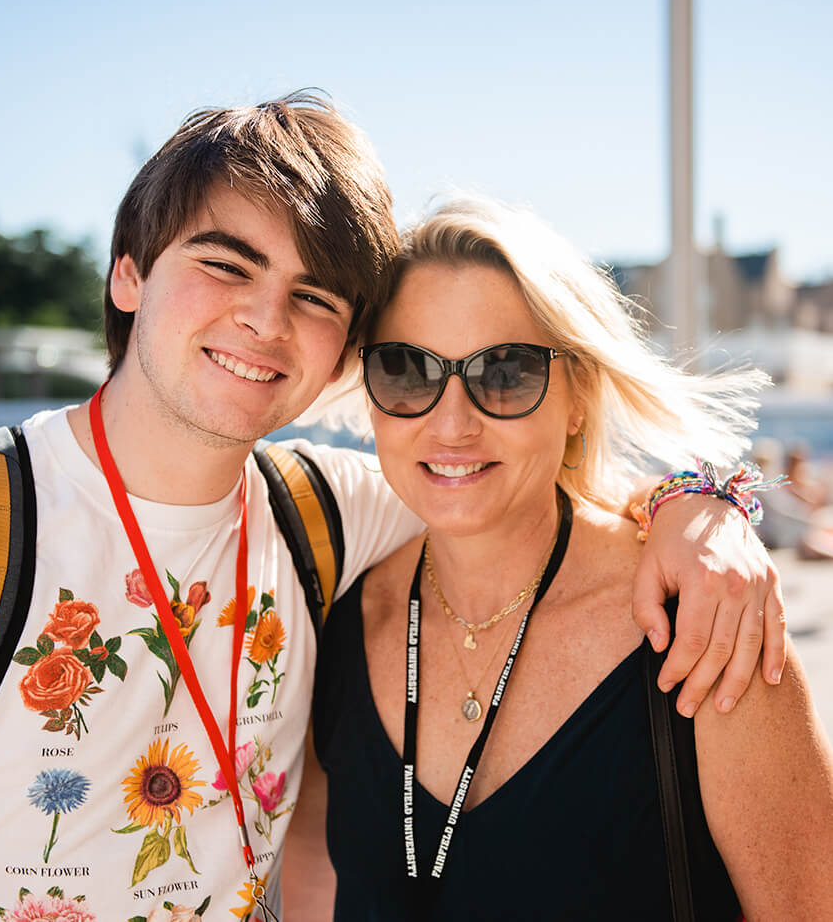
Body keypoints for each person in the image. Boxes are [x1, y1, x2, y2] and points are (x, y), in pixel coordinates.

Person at [0, 96, 786, 921]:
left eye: (315, 297)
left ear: (339, 355)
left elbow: (515, 487)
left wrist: (702, 506)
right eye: (224, 264)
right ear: (128, 275)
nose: (264, 317)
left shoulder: (324, 517)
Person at [303, 197, 833, 920]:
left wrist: (702, 500)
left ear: (577, 397)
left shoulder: (705, 626)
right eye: (406, 369)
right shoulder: (337, 624)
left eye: (505, 373)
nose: (451, 422)